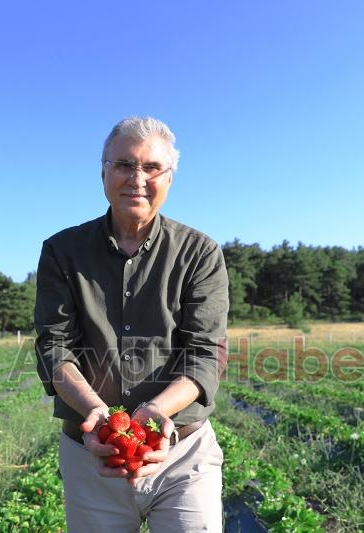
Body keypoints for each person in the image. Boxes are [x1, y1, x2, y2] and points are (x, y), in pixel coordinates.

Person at [34, 116, 229, 532]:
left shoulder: (199, 253)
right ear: (103, 171)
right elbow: (55, 347)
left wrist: (156, 412)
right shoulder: (62, 252)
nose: (136, 178)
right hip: (90, 453)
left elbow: (205, 353)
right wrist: (97, 415)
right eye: (123, 164)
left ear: (170, 178)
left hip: (182, 453)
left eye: (151, 167)